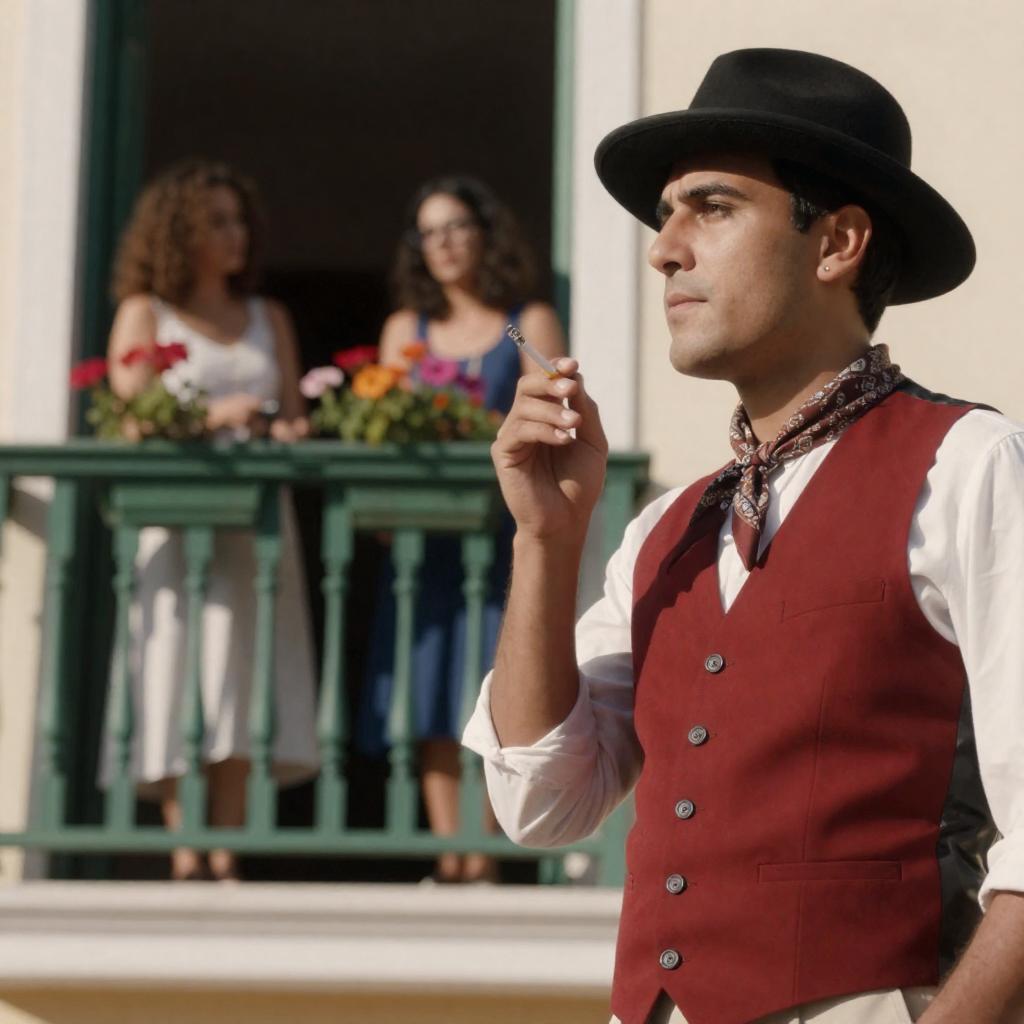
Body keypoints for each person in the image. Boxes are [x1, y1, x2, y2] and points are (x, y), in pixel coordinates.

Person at [464, 48, 1024, 1024]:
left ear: (837, 243)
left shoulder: (970, 465)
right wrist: (545, 541)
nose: (663, 250)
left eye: (711, 208)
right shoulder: (664, 529)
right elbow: (541, 804)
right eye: (665, 214)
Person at [101, 159, 319, 881]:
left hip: (256, 525)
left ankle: (225, 856)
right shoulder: (145, 312)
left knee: (243, 673)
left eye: (239, 221)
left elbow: (293, 415)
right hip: (178, 521)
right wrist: (214, 415)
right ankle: (185, 854)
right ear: (179, 231)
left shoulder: (269, 317)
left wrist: (285, 429)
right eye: (217, 221)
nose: (235, 235)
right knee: (178, 667)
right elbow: (130, 414)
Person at [357, 175, 565, 884]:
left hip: (501, 536)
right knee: (429, 692)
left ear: (485, 234)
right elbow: (381, 427)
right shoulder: (405, 330)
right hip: (425, 538)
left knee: (493, 688)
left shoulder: (521, 322)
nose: (442, 243)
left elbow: (558, 404)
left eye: (456, 227)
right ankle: (453, 859)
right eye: (428, 232)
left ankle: (487, 858)